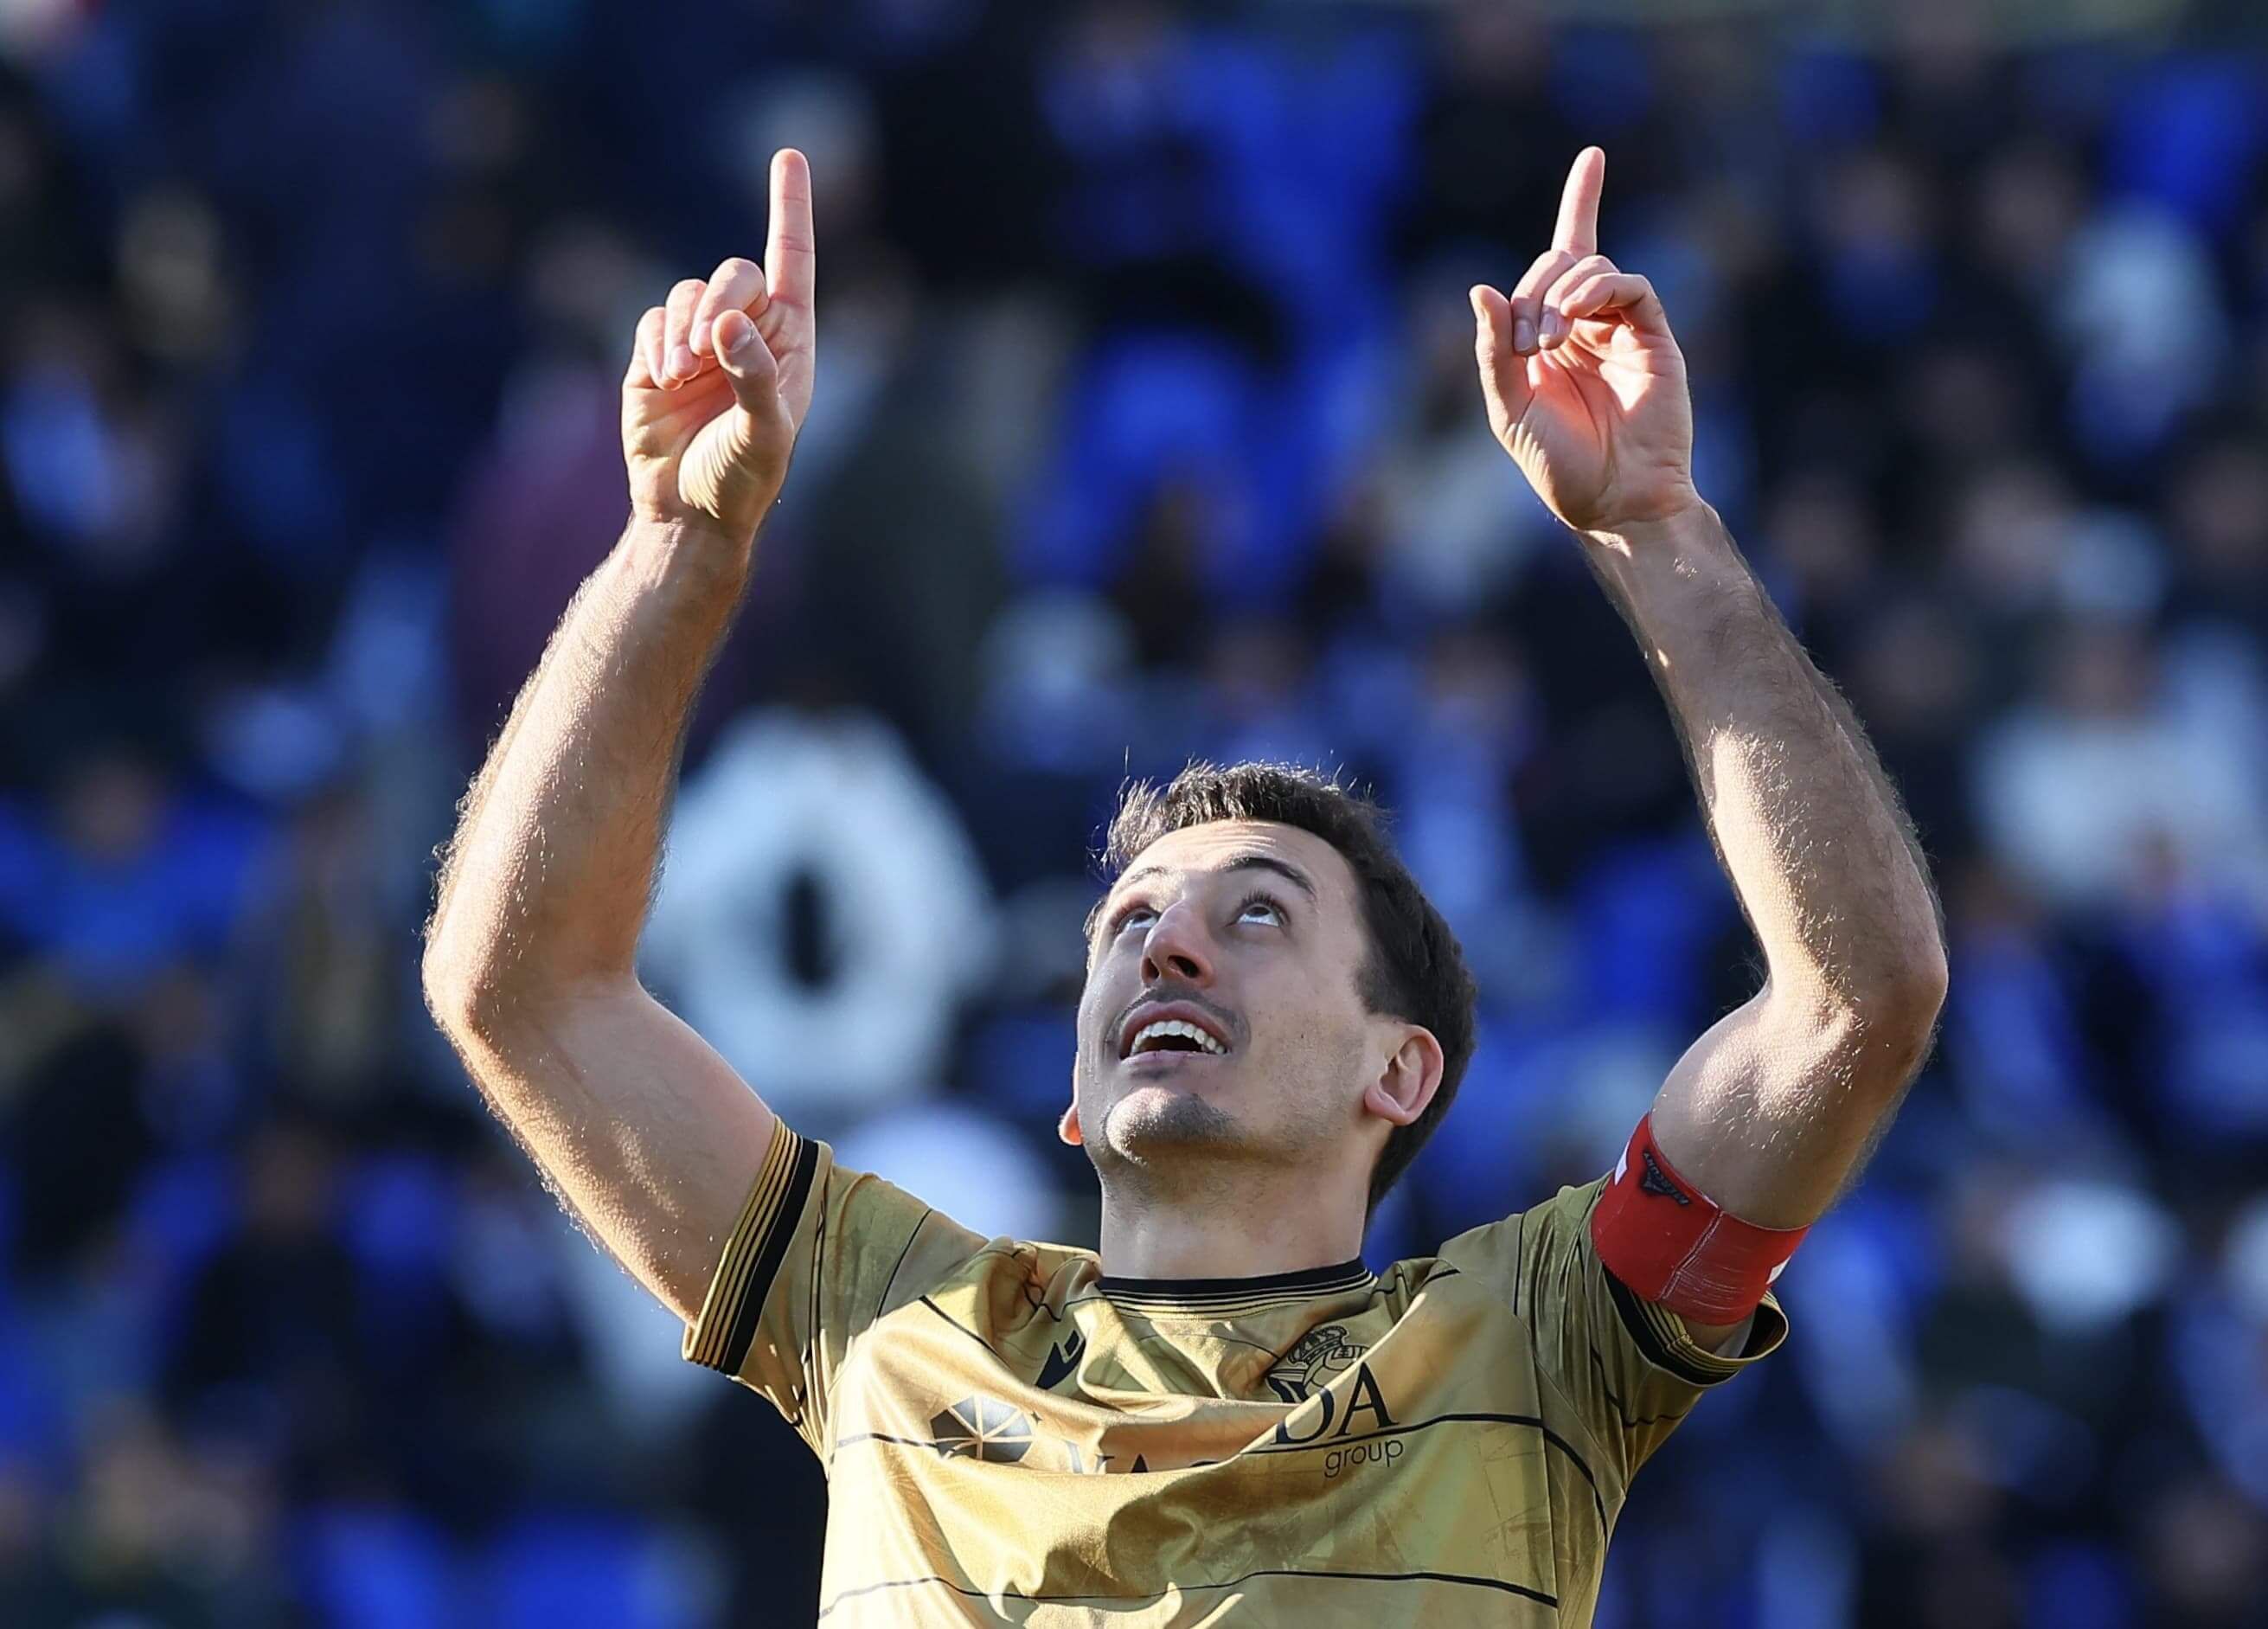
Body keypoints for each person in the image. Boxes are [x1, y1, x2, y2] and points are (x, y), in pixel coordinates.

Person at [421, 146, 1947, 1626]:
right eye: (1128, 923)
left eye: (1257, 912)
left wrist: (1659, 530)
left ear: (1397, 1071)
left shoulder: (1541, 1343)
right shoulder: (882, 1318)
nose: (1167, 951)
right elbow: (523, 989)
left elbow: (1853, 1000)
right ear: (1075, 1097)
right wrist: (679, 547)